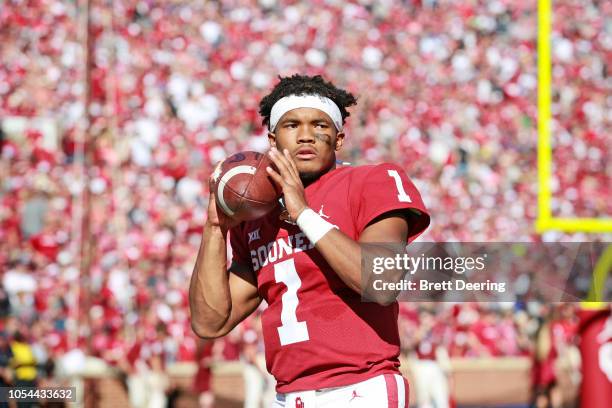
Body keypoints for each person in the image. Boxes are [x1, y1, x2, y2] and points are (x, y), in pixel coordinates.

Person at [189, 74, 430, 407]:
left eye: (319, 125)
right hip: (288, 396)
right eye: (291, 125)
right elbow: (209, 322)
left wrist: (302, 213)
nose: (306, 135)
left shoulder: (371, 181)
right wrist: (215, 228)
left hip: (361, 388)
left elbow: (381, 281)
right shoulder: (259, 218)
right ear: (272, 140)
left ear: (339, 138)